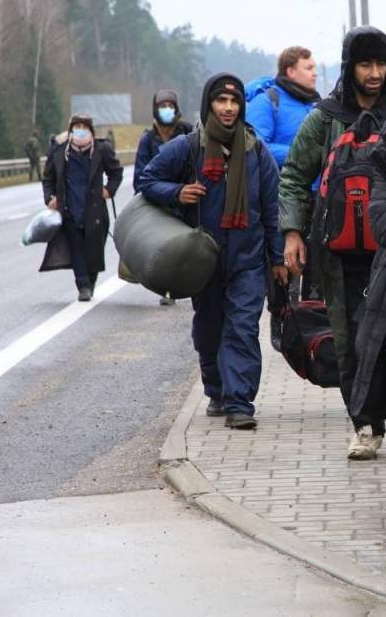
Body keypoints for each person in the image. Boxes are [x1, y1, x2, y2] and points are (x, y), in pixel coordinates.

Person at [279, 26, 386, 460]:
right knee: (350, 340)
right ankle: (364, 426)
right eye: (365, 64)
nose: (374, 73)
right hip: (337, 252)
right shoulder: (325, 118)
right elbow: (294, 175)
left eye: (381, 64)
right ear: (350, 67)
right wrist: (293, 233)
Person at [141, 73, 286, 430]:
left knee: (242, 328)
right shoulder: (188, 147)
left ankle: (240, 403)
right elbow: (147, 180)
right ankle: (217, 390)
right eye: (221, 101)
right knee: (209, 330)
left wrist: (278, 258)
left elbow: (272, 208)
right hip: (202, 260)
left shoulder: (257, 151)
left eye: (234, 101)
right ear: (210, 104)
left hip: (247, 260)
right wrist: (177, 193)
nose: (228, 108)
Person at [246, 46, 321, 347]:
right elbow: (255, 143)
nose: (315, 73)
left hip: (317, 196)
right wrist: (302, 155)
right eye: (309, 67)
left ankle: (313, 323)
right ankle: (281, 320)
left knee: (313, 263)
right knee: (282, 265)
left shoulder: (316, 106)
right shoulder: (268, 102)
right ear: (290, 71)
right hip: (281, 196)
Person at [40, 113, 123, 302]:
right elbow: (48, 178)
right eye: (77, 126)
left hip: (94, 210)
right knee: (76, 247)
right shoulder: (60, 152)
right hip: (70, 209)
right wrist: (50, 198)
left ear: (91, 130)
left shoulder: (102, 150)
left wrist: (109, 190)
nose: (81, 130)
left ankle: (90, 280)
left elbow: (116, 172)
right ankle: (83, 284)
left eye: (85, 126)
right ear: (70, 130)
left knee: (94, 248)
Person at [134, 89, 194, 306]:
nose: (166, 110)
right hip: (159, 201)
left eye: (170, 105)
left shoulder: (188, 132)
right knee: (165, 248)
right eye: (162, 106)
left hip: (187, 200)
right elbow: (140, 177)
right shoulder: (148, 139)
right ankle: (168, 287)